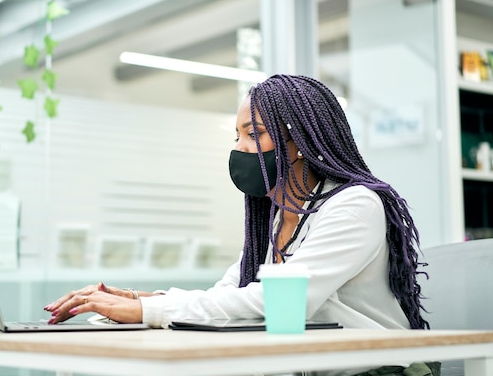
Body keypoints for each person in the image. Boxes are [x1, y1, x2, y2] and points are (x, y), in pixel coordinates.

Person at [44, 74, 437, 376]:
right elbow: (231, 296)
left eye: (254, 134)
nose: (240, 148)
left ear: (297, 141)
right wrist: (137, 299)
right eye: (238, 136)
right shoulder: (278, 218)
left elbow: (273, 303)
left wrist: (150, 309)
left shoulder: (354, 206)